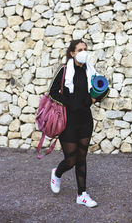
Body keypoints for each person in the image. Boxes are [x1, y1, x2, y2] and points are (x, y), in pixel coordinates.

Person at [49, 39, 109, 208]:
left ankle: (82, 194)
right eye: (80, 49)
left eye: (85, 49)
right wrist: (69, 103)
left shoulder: (91, 71)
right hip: (68, 121)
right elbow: (52, 93)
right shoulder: (64, 70)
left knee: (82, 158)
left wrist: (94, 98)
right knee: (71, 159)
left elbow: (103, 89)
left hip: (85, 120)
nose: (84, 52)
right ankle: (57, 173)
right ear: (72, 53)